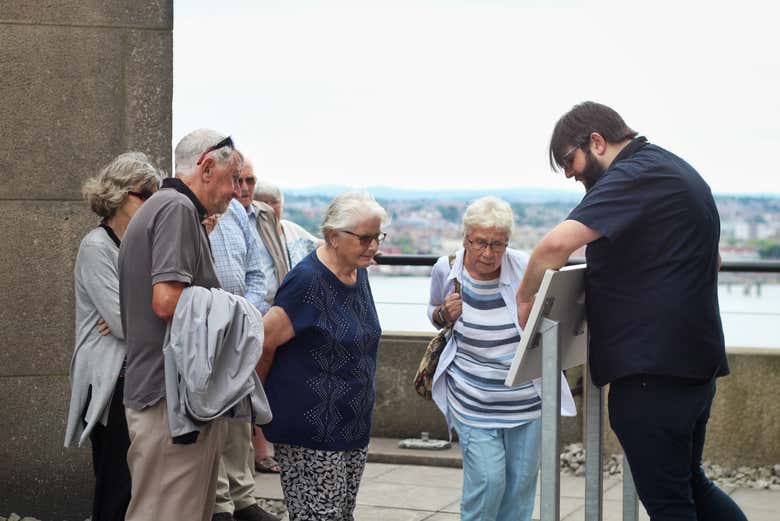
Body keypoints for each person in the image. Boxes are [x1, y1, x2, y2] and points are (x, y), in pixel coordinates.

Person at [516, 101, 746, 521]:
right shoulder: (674, 169)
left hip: (652, 372)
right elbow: (713, 262)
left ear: (597, 142)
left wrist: (525, 300)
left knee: (668, 503)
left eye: (570, 159)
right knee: (691, 484)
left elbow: (554, 246)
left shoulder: (632, 175)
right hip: (696, 363)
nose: (570, 173)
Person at [118, 129, 242, 521]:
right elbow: (167, 301)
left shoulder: (166, 207)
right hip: (169, 400)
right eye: (233, 178)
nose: (237, 191)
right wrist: (238, 312)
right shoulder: (177, 209)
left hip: (166, 395)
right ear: (206, 167)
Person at [427, 196, 576, 521]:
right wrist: (442, 313)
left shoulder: (524, 266)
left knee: (520, 490)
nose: (488, 253)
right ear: (466, 238)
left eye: (498, 244)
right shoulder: (447, 268)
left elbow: (551, 313)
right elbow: (433, 312)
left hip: (525, 402)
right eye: (480, 243)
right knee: (488, 483)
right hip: (473, 401)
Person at [256, 192, 388, 521]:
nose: (373, 247)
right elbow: (263, 340)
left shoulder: (358, 273)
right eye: (365, 238)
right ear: (333, 236)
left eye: (377, 237)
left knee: (341, 515)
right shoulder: (307, 281)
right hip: (310, 428)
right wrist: (255, 407)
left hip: (352, 424)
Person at [64, 152, 162, 521]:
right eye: (145, 194)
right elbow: (126, 325)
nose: (152, 203)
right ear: (118, 195)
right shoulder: (96, 247)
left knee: (137, 488)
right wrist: (138, 311)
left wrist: (134, 310)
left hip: (137, 375)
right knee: (115, 489)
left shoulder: (143, 245)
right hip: (109, 383)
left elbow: (151, 311)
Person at [208, 163, 278, 521]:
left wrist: (245, 315)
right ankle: (219, 504)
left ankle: (244, 498)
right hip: (206, 331)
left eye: (245, 180)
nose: (240, 188)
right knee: (213, 420)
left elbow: (256, 273)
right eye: (235, 179)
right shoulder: (189, 211)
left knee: (239, 420)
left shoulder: (237, 212)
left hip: (240, 329)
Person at [249, 176, 322, 473]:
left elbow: (319, 248)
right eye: (263, 204)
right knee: (258, 383)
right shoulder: (250, 232)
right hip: (263, 316)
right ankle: (261, 450)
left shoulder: (292, 231)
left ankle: (275, 444)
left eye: (274, 204)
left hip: (292, 317)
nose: (269, 209)